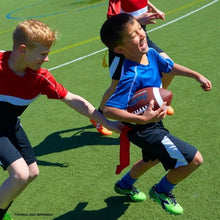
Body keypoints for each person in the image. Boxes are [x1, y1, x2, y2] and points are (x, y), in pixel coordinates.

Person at [0, 19, 122, 220]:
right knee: (20, 174)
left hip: (10, 125)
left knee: (31, 172)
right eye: (43, 54)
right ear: (23, 50)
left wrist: (106, 122)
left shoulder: (41, 78)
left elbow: (73, 99)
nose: (46, 60)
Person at [100, 13, 212, 215]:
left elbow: (169, 66)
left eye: (139, 29)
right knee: (194, 160)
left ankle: (125, 185)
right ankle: (162, 190)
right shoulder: (130, 75)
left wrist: (196, 75)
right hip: (144, 130)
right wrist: (142, 118)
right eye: (133, 35)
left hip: (152, 124)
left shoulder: (150, 54)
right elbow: (109, 109)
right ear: (119, 49)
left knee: (153, 159)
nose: (141, 34)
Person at [90, 0, 174, 135]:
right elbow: (111, 22)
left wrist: (155, 9)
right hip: (124, 45)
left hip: (142, 39)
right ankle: (98, 117)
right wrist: (138, 20)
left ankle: (156, 100)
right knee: (116, 85)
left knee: (169, 68)